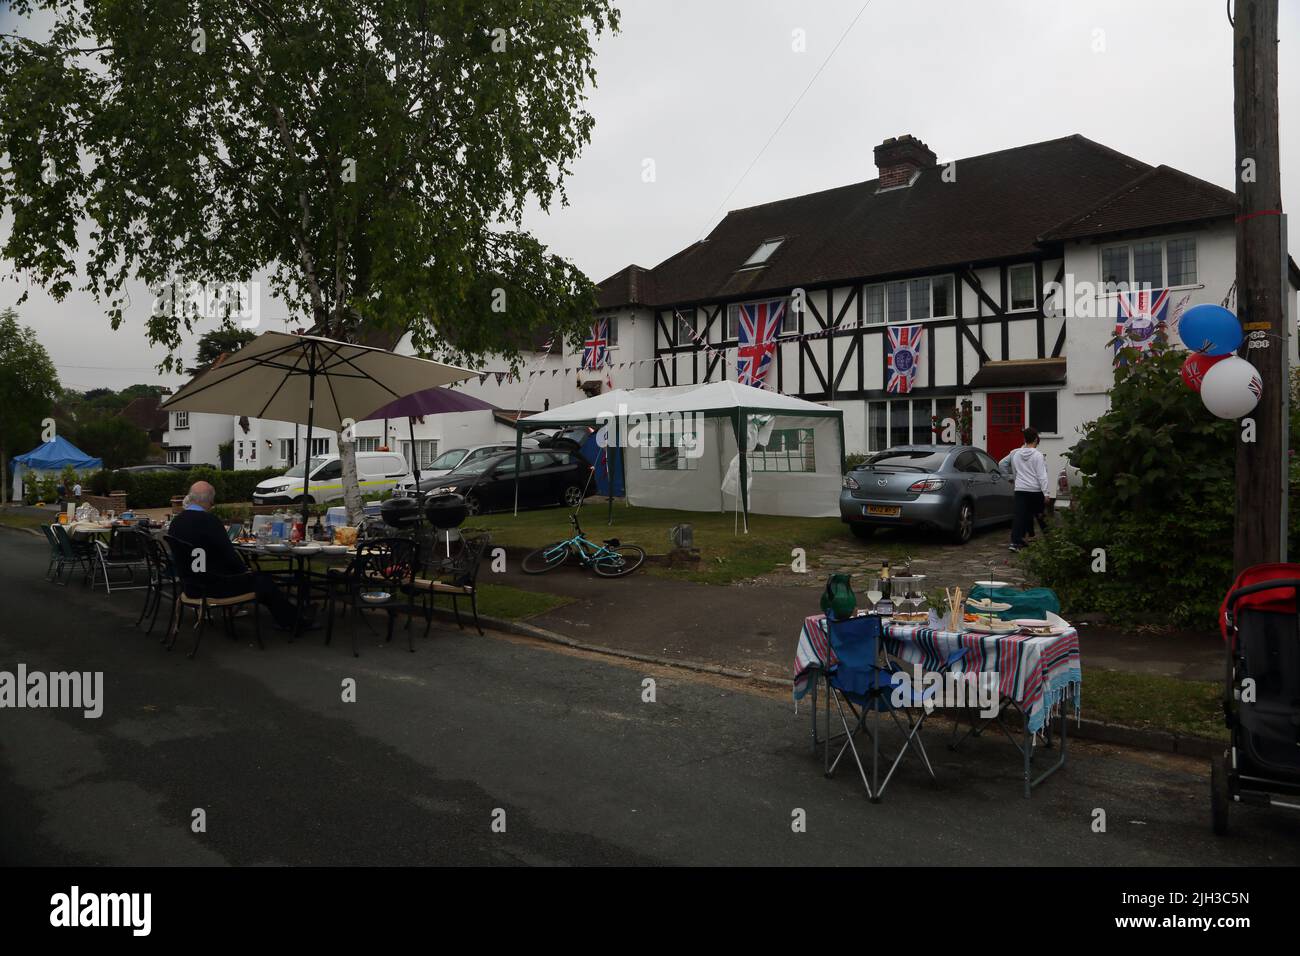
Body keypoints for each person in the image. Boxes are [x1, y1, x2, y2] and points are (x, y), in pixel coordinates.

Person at [166, 481, 303, 630]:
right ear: (211, 502)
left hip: (189, 585)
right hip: (212, 587)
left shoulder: (176, 522)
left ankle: (291, 615)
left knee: (260, 582)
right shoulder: (210, 522)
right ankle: (294, 621)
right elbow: (229, 554)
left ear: (190, 497)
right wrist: (244, 571)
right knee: (264, 581)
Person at [1000, 427, 1051, 553]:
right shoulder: (1038, 455)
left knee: (1019, 517)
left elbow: (1016, 471)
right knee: (1040, 516)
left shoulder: (1016, 454)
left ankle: (1015, 542)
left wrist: (1012, 479)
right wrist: (1046, 493)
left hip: (1020, 490)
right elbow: (1042, 475)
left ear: (1024, 439)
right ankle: (1051, 541)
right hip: (1035, 490)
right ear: (1035, 439)